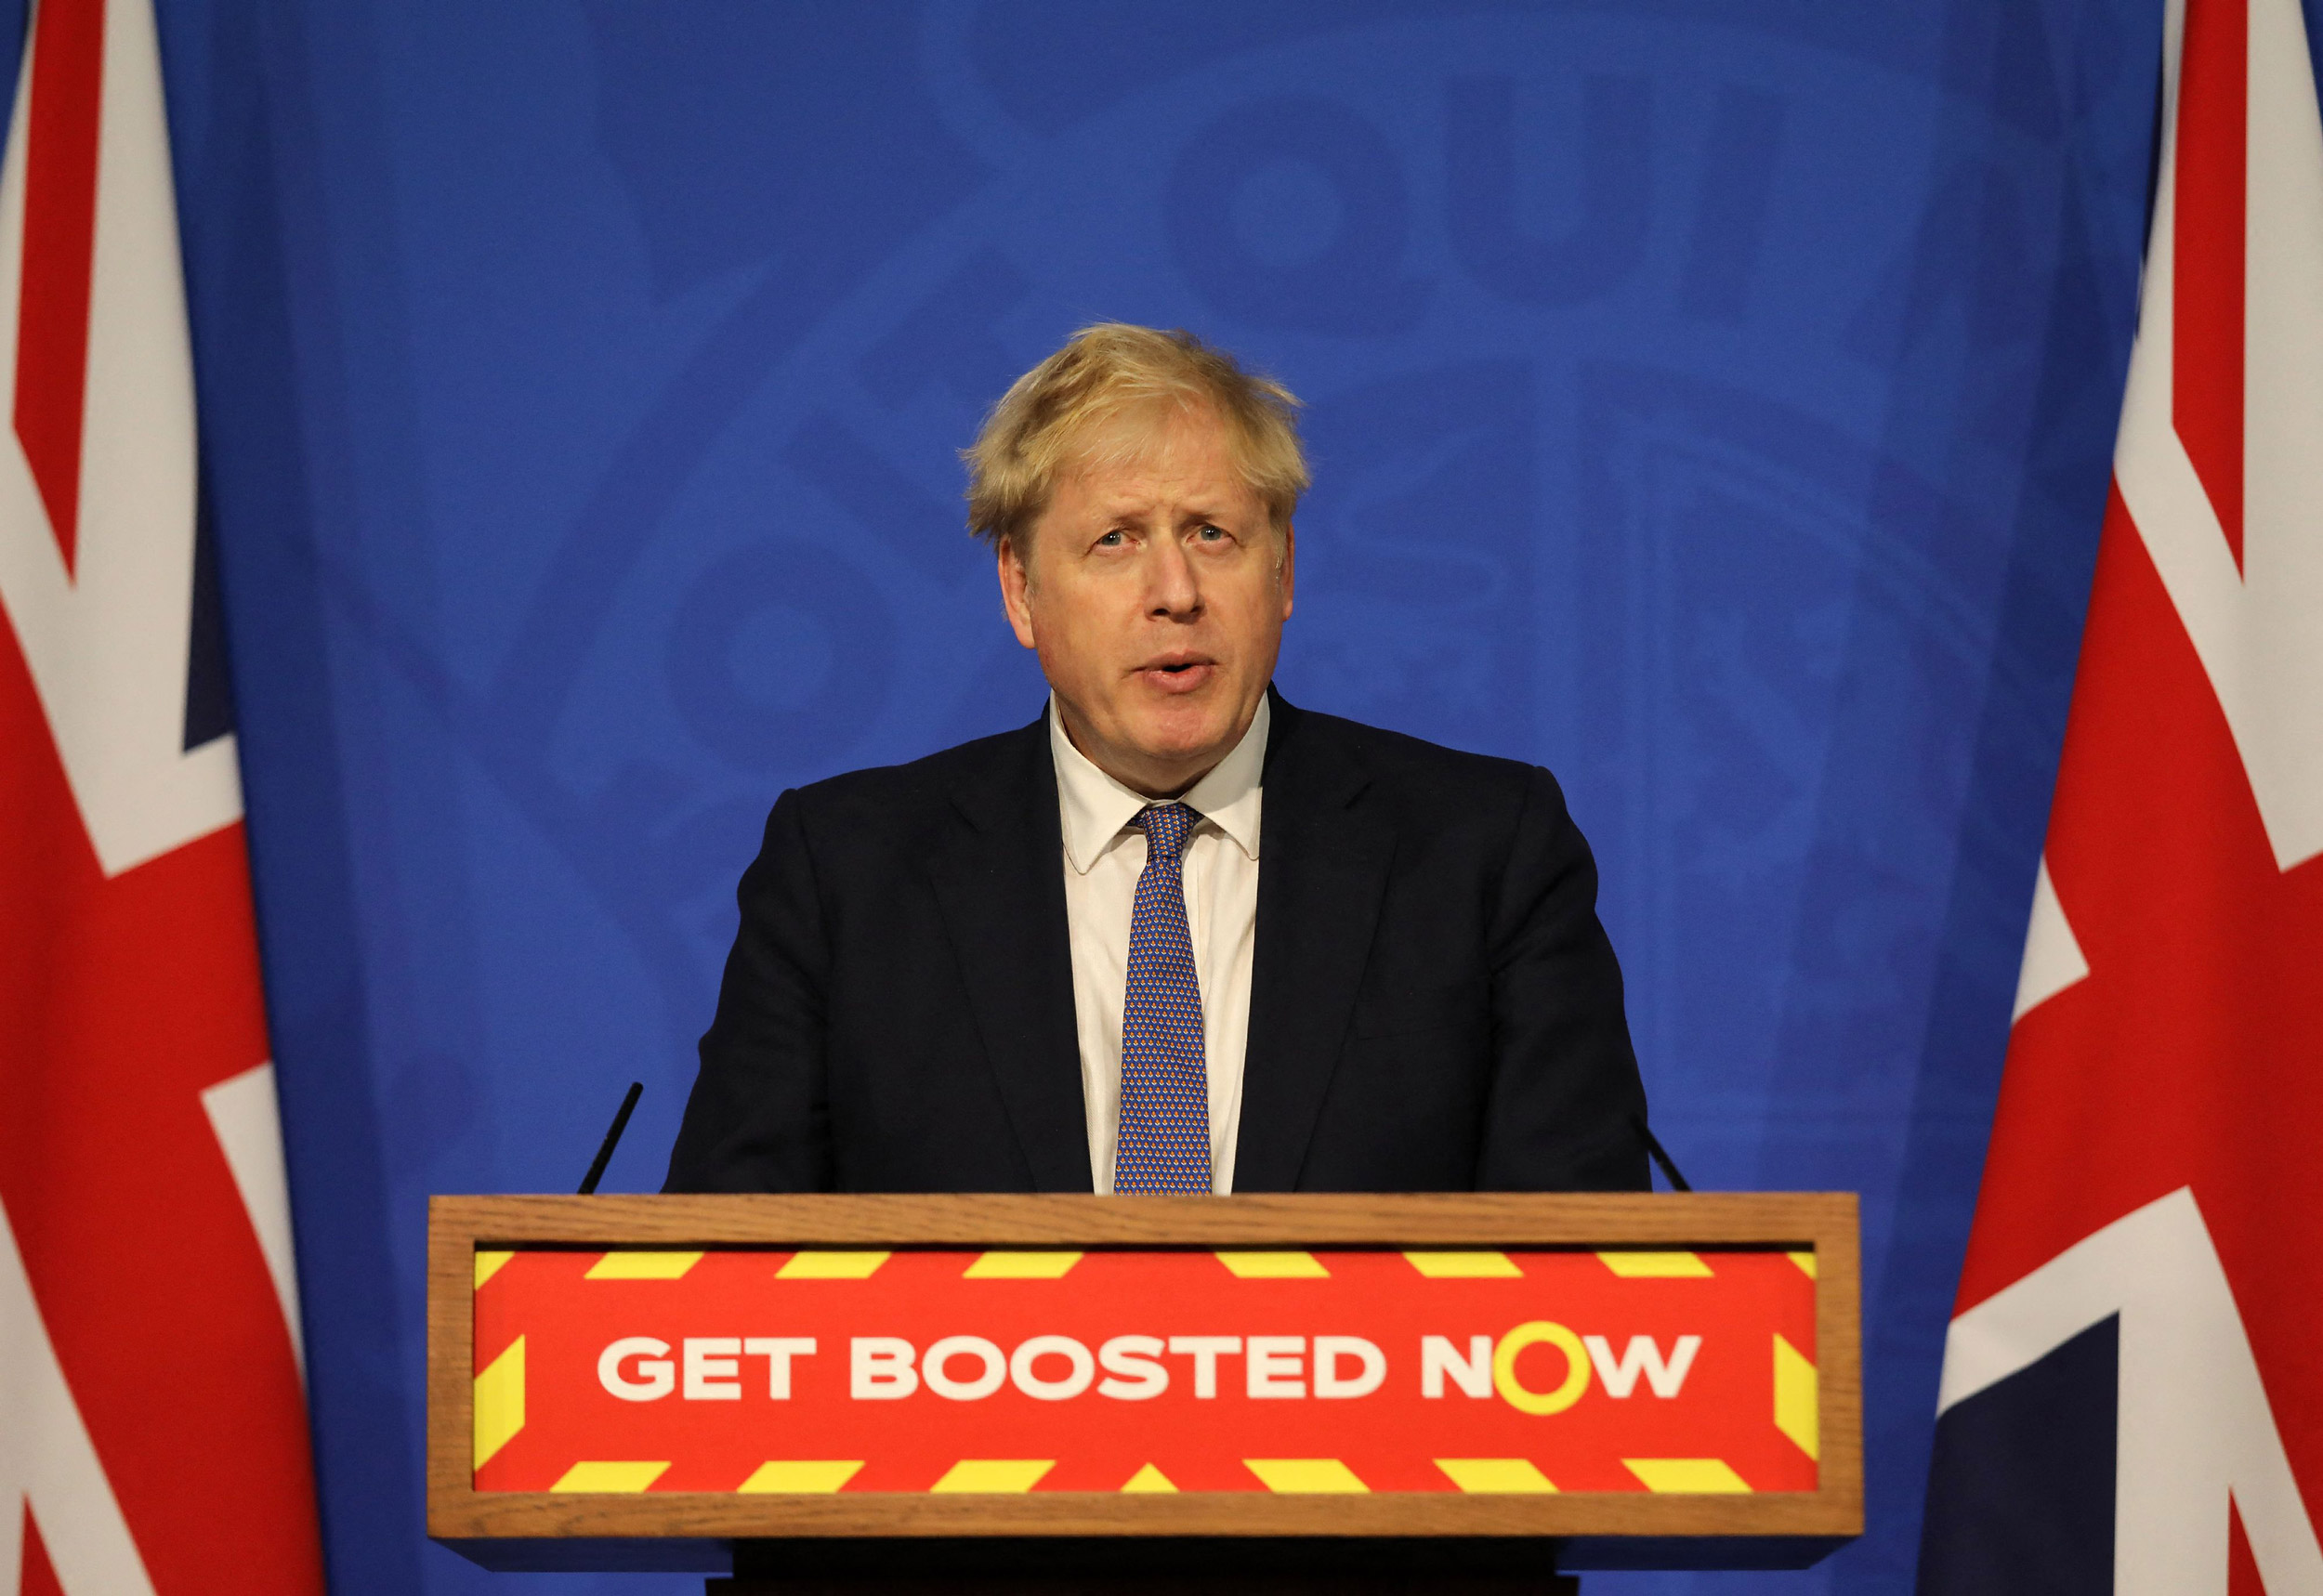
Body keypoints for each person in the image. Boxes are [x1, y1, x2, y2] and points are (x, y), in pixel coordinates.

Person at [665, 324, 1647, 1195]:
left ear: (1283, 570)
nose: (1174, 591)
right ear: (1020, 588)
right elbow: (719, 1288)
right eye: (1114, 540)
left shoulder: (1482, 855)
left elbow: (1593, 1277)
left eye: (1212, 533)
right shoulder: (846, 875)